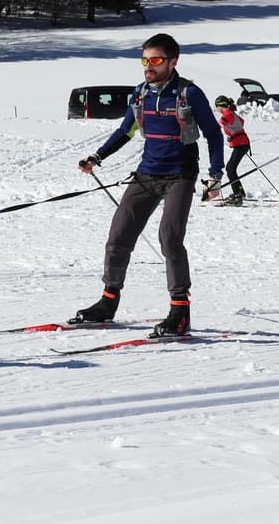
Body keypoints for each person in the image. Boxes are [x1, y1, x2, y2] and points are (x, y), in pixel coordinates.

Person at [71, 33, 225, 338]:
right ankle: (108, 302)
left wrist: (215, 173)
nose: (148, 66)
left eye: (155, 60)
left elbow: (214, 134)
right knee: (118, 236)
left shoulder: (189, 93)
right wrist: (97, 156)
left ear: (172, 62)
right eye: (144, 60)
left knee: (169, 237)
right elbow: (125, 130)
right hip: (146, 174)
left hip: (180, 175)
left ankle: (180, 311)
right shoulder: (140, 94)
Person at [213, 94, 250, 206]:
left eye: (216, 106)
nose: (216, 109)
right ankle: (240, 193)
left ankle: (238, 195)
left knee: (230, 169)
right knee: (231, 168)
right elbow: (241, 121)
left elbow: (220, 124)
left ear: (221, 106)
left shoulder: (227, 114)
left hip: (241, 144)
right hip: (242, 143)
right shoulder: (231, 113)